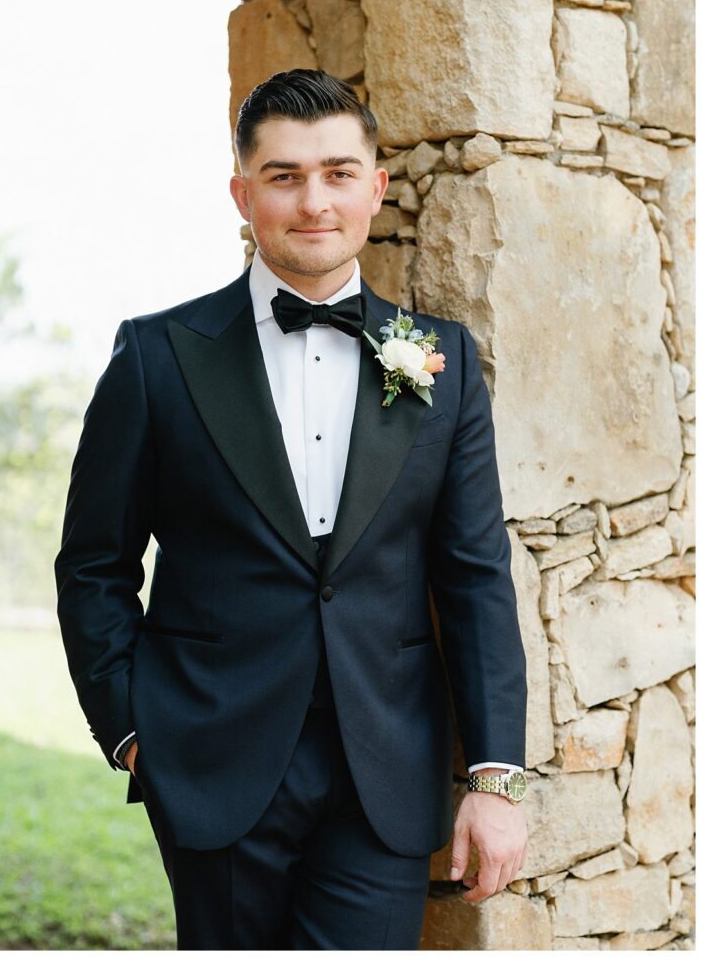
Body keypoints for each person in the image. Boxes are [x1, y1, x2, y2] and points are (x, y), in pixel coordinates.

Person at [55, 68, 528, 950]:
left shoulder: (441, 360)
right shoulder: (157, 357)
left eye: (338, 172)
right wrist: (131, 735)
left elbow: (473, 575)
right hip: (209, 759)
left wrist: (494, 781)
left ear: (375, 188)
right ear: (243, 193)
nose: (314, 200)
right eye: (283, 176)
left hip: (383, 769)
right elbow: (93, 567)